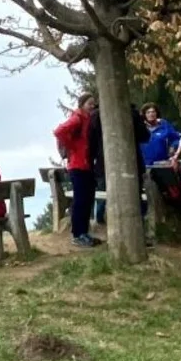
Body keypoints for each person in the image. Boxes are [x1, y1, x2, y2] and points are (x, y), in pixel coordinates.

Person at [90, 102, 151, 226]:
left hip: (103, 160)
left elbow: (91, 140)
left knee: (102, 190)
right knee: (135, 192)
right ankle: (137, 222)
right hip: (131, 160)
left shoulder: (95, 115)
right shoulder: (132, 113)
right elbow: (144, 136)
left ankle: (100, 221)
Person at [53, 94, 99, 247]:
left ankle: (84, 232)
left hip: (86, 164)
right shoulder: (77, 118)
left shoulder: (87, 118)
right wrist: (71, 146)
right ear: (82, 104)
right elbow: (59, 131)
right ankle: (77, 235)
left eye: (93, 103)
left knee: (87, 199)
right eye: (89, 103)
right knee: (80, 200)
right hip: (77, 165)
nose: (92, 106)